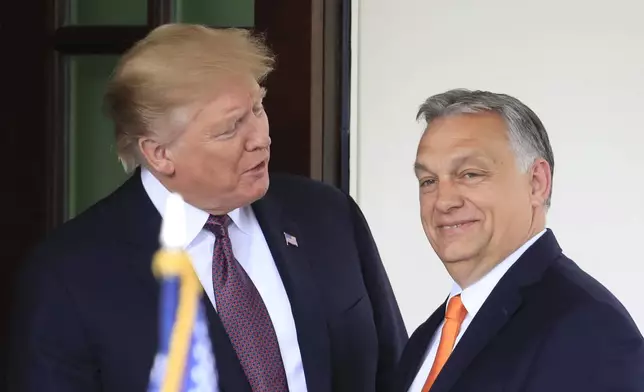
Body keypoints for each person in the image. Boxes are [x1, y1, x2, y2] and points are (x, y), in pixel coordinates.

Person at [7, 24, 407, 392]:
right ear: (160, 154)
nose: (260, 138)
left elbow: (397, 373)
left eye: (258, 108)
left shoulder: (328, 216)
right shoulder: (68, 276)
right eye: (231, 127)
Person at [395, 89, 644, 392]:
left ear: (537, 183)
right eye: (428, 181)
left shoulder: (588, 329)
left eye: (470, 174)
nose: (443, 201)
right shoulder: (425, 339)